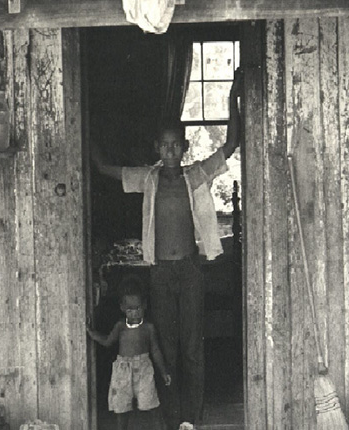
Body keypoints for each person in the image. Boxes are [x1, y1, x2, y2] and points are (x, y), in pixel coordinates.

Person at [92, 70, 243, 428]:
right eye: (165, 145)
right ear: (157, 149)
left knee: (193, 349)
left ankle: (195, 418)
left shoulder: (195, 175)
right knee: (168, 349)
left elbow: (232, 143)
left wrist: (234, 94)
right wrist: (90, 123)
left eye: (177, 144)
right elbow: (103, 168)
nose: (171, 150)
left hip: (190, 271)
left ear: (185, 147)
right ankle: (172, 420)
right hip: (160, 272)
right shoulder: (148, 179)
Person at [87, 275, 172, 430]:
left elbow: (155, 350)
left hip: (144, 369)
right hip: (122, 370)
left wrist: (163, 372)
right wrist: (92, 333)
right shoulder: (120, 326)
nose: (134, 313)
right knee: (121, 407)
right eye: (130, 310)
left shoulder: (148, 328)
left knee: (151, 402)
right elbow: (107, 341)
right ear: (122, 308)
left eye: (138, 308)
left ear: (144, 305)